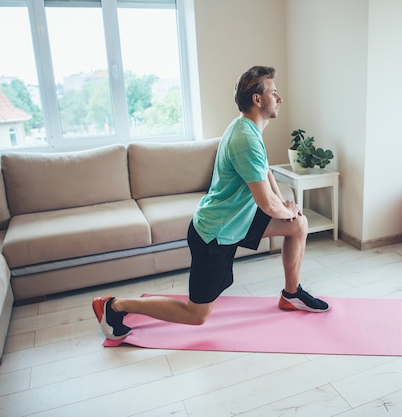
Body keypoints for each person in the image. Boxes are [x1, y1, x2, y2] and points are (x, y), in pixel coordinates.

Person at [92, 65, 329, 340]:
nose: (280, 98)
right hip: (216, 233)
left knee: (297, 224)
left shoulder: (248, 127)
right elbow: (265, 205)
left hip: (238, 218)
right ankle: (114, 306)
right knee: (196, 315)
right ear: (257, 99)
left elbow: (264, 171)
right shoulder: (245, 138)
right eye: (274, 93)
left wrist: (287, 206)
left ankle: (291, 293)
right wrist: (283, 207)